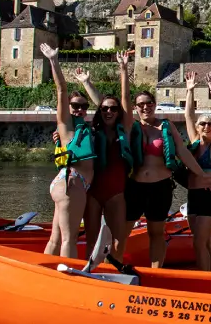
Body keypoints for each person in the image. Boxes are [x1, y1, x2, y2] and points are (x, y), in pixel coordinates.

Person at [123, 73, 211, 268]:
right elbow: (121, 101)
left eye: (149, 103)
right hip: (136, 187)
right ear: (135, 107)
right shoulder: (132, 127)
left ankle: (155, 272)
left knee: (156, 233)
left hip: (161, 187)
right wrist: (124, 70)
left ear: (154, 104)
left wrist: (203, 176)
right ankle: (113, 267)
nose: (145, 107)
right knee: (122, 231)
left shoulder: (166, 126)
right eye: (140, 104)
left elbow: (183, 152)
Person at [74, 52, 139, 266]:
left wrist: (123, 69)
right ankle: (90, 274)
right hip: (93, 192)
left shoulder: (126, 129)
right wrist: (86, 83)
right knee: (92, 240)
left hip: (116, 193)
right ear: (100, 111)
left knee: (118, 241)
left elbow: (126, 99)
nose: (109, 111)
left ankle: (113, 270)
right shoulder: (94, 130)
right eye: (105, 109)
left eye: (113, 108)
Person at [43, 43, 94, 259]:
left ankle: (44, 272)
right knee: (68, 239)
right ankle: (67, 279)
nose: (80, 109)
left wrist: (87, 83)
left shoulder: (88, 129)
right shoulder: (65, 125)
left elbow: (105, 109)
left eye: (84, 106)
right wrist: (54, 61)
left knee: (56, 238)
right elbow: (61, 89)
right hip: (72, 183)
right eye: (75, 106)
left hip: (70, 183)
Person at [182, 71, 211, 271]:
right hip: (194, 195)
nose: (207, 126)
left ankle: (203, 280)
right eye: (203, 123)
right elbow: (188, 115)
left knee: (199, 243)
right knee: (204, 242)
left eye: (210, 124)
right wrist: (190, 90)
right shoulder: (193, 142)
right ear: (198, 127)